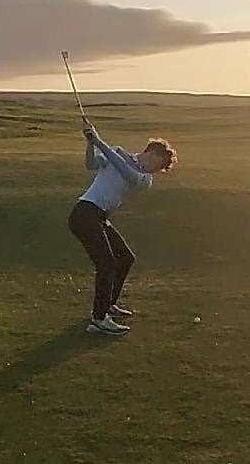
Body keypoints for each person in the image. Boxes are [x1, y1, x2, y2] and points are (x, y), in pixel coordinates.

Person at [68, 121, 177, 336]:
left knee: (125, 258)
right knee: (107, 264)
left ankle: (107, 305)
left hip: (99, 217)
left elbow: (126, 172)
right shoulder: (116, 153)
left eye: (160, 167)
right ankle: (99, 319)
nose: (156, 169)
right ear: (150, 153)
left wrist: (100, 141)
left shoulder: (145, 179)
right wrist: (90, 143)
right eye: (158, 163)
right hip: (85, 213)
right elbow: (91, 164)